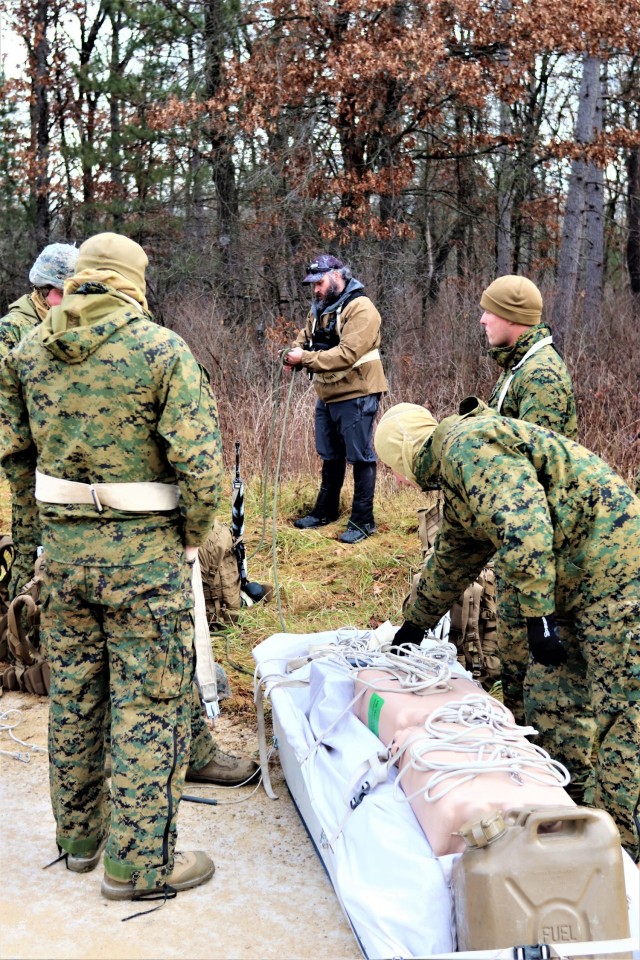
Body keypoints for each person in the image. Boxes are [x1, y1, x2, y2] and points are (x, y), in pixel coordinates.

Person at [0, 232, 230, 901]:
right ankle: (139, 868)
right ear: (133, 281)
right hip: (145, 562)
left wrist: (44, 537)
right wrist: (188, 539)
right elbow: (201, 471)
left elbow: (14, 457)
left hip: (65, 560)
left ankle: (77, 842)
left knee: (74, 698)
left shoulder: (28, 351)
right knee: (148, 705)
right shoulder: (161, 350)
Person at [374, 399, 640, 861]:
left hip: (616, 570)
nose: (397, 479)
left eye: (392, 467)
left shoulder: (467, 447)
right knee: (552, 700)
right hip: (569, 580)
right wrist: (415, 621)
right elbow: (455, 557)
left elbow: (525, 522)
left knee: (624, 711)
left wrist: (538, 616)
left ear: (404, 454)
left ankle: (617, 847)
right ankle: (566, 811)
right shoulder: (456, 478)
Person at [477, 275, 595, 803]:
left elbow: (538, 480)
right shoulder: (517, 368)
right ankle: (525, 779)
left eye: (489, 313)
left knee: (545, 692)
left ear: (514, 319)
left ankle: (565, 803)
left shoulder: (542, 377)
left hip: (542, 558)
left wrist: (536, 599)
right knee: (516, 674)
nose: (482, 320)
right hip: (521, 552)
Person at [284, 254, 388, 544]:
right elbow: (302, 339)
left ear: (338, 275)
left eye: (319, 282)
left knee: (360, 457)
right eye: (312, 284)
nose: (315, 289)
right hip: (326, 392)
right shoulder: (319, 308)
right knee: (330, 454)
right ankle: (325, 512)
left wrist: (303, 358)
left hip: (357, 391)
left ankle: (363, 520)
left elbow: (347, 354)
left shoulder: (362, 308)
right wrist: (291, 354)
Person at [0, 243, 79, 361]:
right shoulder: (10, 330)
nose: (70, 301)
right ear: (42, 289)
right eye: (62, 293)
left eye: (75, 294)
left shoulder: (83, 325)